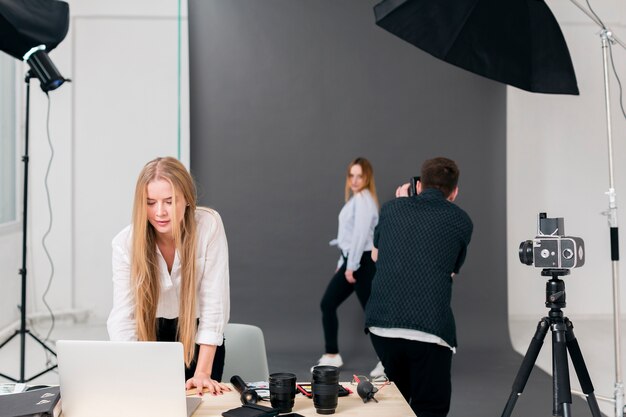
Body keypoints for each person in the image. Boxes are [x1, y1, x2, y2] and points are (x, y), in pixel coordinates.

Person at [107, 156, 230, 395]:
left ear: (186, 199)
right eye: (150, 202)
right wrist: (128, 369)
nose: (160, 212)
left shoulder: (209, 226)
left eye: (169, 201)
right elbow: (124, 318)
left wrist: (203, 373)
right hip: (149, 338)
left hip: (198, 340)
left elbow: (214, 304)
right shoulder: (125, 243)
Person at [364, 157, 473, 417]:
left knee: (398, 401)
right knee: (430, 407)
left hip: (382, 324)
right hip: (430, 329)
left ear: (419, 185)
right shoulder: (462, 221)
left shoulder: (392, 209)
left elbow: (376, 257)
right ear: (454, 192)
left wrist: (402, 204)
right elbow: (449, 272)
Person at [312, 157, 380, 374]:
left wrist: (350, 266)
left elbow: (360, 237)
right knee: (330, 304)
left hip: (361, 262)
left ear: (367, 177)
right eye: (352, 175)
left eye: (360, 176)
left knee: (373, 315)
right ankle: (332, 355)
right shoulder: (357, 199)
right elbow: (349, 237)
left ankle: (390, 361)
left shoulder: (364, 200)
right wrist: (342, 263)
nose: (355, 180)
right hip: (354, 260)